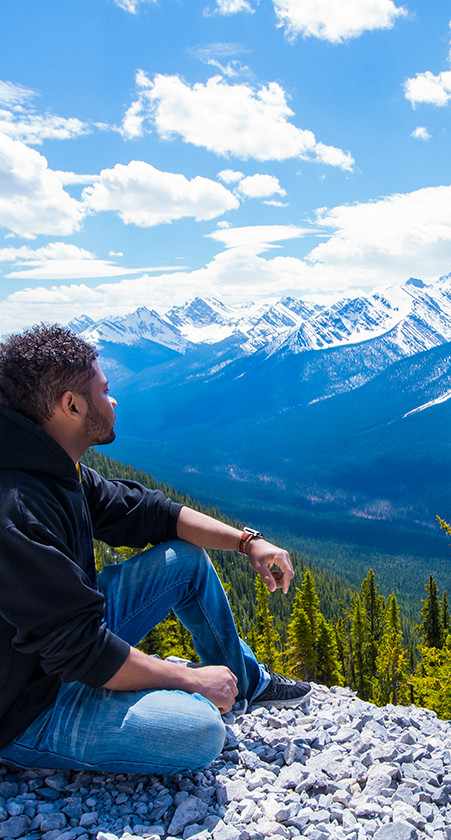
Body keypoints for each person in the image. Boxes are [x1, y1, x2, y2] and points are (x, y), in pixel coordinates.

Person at [0, 323, 311, 775]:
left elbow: (147, 512)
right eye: (104, 392)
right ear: (71, 406)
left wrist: (248, 542)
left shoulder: (47, 462)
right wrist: (189, 680)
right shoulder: (16, 506)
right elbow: (80, 649)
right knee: (199, 732)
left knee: (184, 562)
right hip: (26, 705)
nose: (114, 400)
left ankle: (241, 684)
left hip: (55, 647)